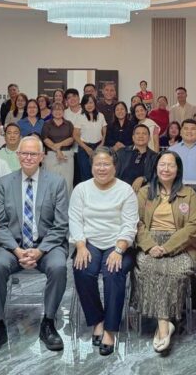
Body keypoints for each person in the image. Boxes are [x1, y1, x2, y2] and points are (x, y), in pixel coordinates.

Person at [0, 136, 69, 356]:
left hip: (47, 246)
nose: (28, 157)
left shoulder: (56, 182)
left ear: (41, 157)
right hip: (13, 247)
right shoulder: (4, 183)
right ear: (18, 156)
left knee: (59, 267)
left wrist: (40, 251)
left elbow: (61, 225)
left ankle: (48, 323)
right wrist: (17, 250)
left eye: (33, 154)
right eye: (24, 153)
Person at [69, 147, 139, 356]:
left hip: (118, 243)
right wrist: (80, 245)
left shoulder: (125, 190)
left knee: (113, 272)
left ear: (114, 167)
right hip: (89, 241)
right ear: (91, 167)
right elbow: (75, 220)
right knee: (82, 269)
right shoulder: (81, 189)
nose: (102, 168)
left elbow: (130, 224)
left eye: (106, 164)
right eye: (97, 164)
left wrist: (119, 250)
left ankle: (110, 329)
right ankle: (97, 320)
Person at [134, 150, 196, 353]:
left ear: (177, 169)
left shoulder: (187, 193)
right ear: (156, 167)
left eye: (171, 165)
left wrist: (167, 247)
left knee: (174, 272)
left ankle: (162, 326)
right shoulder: (145, 192)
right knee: (148, 269)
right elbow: (137, 223)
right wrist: (151, 246)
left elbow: (194, 225)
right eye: (162, 164)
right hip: (149, 245)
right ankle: (165, 325)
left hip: (181, 246)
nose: (166, 169)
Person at [73, 94, 107, 186]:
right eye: (86, 103)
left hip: (98, 147)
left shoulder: (101, 116)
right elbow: (75, 135)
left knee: (99, 174)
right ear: (83, 105)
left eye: (91, 102)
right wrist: (86, 148)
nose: (89, 105)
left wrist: (102, 144)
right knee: (86, 176)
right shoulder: (80, 117)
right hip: (84, 148)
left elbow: (104, 132)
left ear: (95, 103)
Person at [41, 101, 75, 190]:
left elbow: (71, 139)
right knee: (50, 182)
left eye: (60, 109)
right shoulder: (47, 124)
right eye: (55, 109)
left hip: (67, 155)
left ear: (63, 112)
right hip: (51, 155)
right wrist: (58, 151)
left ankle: (66, 203)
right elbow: (45, 139)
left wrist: (59, 146)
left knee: (67, 183)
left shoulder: (69, 124)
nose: (58, 111)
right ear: (51, 112)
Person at [169, 119, 196, 185]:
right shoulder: (172, 150)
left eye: (193, 129)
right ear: (180, 133)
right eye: (186, 128)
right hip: (177, 187)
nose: (189, 131)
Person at [115, 124, 158, 190]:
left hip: (143, 194)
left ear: (149, 138)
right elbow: (114, 173)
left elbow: (156, 174)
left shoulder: (154, 157)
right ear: (133, 137)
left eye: (144, 133)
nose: (141, 136)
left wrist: (144, 178)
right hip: (121, 191)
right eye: (137, 133)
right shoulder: (121, 152)